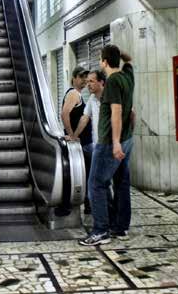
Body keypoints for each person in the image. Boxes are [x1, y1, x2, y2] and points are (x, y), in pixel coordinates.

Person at [80, 45, 135, 246]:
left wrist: (115, 143)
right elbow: (129, 60)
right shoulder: (127, 75)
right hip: (128, 139)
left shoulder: (112, 82)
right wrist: (119, 54)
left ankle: (101, 230)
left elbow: (117, 112)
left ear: (104, 62)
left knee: (95, 185)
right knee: (121, 182)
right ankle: (120, 228)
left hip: (109, 142)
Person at [72, 70, 106, 208]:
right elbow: (84, 118)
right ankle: (105, 216)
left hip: (111, 147)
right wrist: (74, 135)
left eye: (91, 81)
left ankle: (104, 222)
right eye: (87, 82)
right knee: (98, 184)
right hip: (98, 146)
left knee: (100, 184)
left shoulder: (112, 97)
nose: (88, 85)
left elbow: (131, 115)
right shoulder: (92, 99)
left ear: (101, 82)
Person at [62, 65, 91, 213]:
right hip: (82, 144)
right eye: (81, 77)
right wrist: (72, 135)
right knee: (89, 176)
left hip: (84, 143)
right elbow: (64, 114)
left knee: (86, 175)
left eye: (86, 77)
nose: (84, 80)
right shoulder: (74, 93)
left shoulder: (77, 94)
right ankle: (89, 205)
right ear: (74, 78)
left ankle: (88, 205)